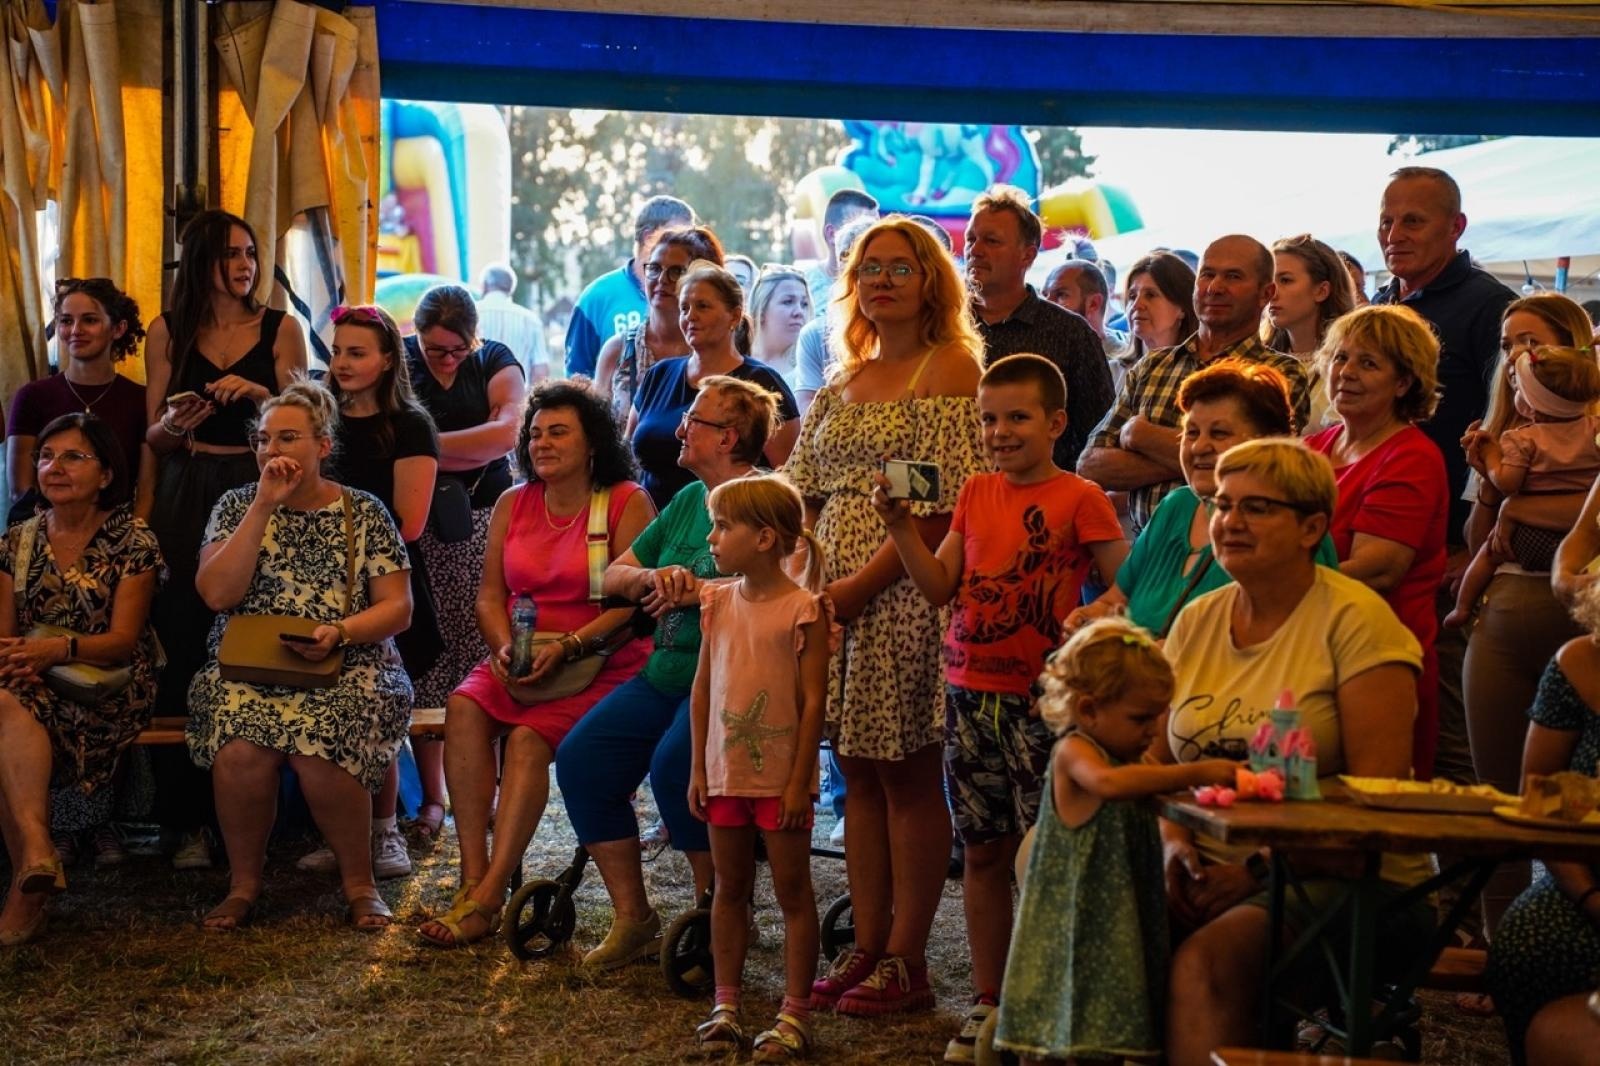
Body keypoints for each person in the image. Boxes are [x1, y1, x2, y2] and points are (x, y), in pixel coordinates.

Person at [871, 353, 1126, 1060]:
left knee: (1044, 857)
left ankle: (1049, 996)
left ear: (1056, 422)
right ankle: (991, 999)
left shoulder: (1082, 498)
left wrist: (1100, 608)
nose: (1000, 431)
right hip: (968, 693)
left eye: (1017, 417)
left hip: (1042, 703)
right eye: (989, 418)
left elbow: (1126, 584)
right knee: (983, 851)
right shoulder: (977, 491)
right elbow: (937, 585)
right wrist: (900, 528)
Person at [1154, 439, 1430, 1066]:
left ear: (1312, 527)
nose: (1230, 522)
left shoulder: (1360, 624)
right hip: (1204, 862)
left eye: (1257, 508)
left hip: (1350, 881)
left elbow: (1375, 807)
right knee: (1101, 922)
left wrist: (1255, 872)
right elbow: (1157, 766)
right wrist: (1174, 844)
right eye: (1223, 505)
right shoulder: (1197, 619)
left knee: (1211, 960)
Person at [782, 216, 986, 1016]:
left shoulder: (951, 368)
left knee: (905, 776)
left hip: (903, 593)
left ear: (931, 281)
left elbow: (947, 509)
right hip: (829, 595)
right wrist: (803, 583)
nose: (883, 281)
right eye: (870, 269)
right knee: (854, 775)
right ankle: (867, 945)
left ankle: (909, 960)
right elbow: (801, 489)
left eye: (901, 268)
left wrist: (857, 591)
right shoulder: (844, 378)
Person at [416, 381, 653, 949]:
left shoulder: (624, 500)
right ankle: (473, 876)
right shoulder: (512, 502)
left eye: (559, 431)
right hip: (522, 651)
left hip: (601, 658)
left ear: (592, 441)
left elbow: (630, 607)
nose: (542, 442)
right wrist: (503, 648)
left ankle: (491, 894)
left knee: (526, 741)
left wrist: (567, 647)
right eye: (535, 432)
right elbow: (488, 597)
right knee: (463, 707)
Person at [555, 375, 776, 969]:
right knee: (581, 760)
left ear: (728, 436)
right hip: (666, 672)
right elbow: (612, 576)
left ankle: (723, 912)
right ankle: (635, 918)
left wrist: (697, 590)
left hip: (736, 677)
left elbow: (780, 590)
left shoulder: (770, 501)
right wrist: (655, 579)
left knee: (676, 763)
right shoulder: (684, 500)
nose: (678, 428)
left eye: (694, 421)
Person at [186, 381, 414, 932]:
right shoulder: (237, 505)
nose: (272, 451)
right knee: (239, 747)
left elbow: (397, 609)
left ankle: (359, 884)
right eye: (263, 440)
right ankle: (244, 886)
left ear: (323, 446)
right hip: (247, 665)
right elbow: (217, 595)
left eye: (288, 437)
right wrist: (264, 505)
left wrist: (338, 632)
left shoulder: (365, 512)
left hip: (349, 662)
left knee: (321, 741)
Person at [143, 209, 307, 871]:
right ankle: (183, 820)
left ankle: (265, 818)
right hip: (186, 483)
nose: (244, 265)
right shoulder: (168, 328)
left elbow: (304, 421)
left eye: (250, 252)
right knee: (180, 641)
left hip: (254, 485)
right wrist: (171, 422)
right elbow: (152, 438)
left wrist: (263, 393)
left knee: (256, 637)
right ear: (200, 260)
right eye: (229, 254)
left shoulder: (281, 326)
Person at [993, 620, 1235, 1064]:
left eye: (1159, 717)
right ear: (1088, 710)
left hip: (1118, 913)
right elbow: (1109, 784)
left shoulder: (1134, 757)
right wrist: (1196, 772)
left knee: (1105, 1026)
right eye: (1141, 718)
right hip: (1076, 914)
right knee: (1064, 1021)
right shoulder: (1077, 752)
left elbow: (1150, 786)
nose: (1152, 731)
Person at [1374, 165, 1517, 790]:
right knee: (1393, 732)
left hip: (1455, 557)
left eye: (1412, 220)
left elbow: (1508, 433)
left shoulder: (1490, 309)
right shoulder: (1384, 305)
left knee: (1454, 746)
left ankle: (1466, 887)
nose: (1393, 233)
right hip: (1385, 545)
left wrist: (1478, 542)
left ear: (1456, 228)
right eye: (1385, 219)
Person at [0, 414, 162, 946]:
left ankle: (32, 874)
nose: (55, 467)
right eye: (46, 456)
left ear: (107, 473)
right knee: (5, 703)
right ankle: (37, 860)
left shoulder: (132, 539)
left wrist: (55, 650)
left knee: (5, 711)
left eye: (73, 457)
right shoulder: (16, 541)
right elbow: (6, 639)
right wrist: (28, 660)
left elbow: (122, 641)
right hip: (31, 684)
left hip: (109, 685)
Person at [687, 475, 834, 1060]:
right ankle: (726, 1003)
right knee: (730, 887)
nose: (712, 537)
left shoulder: (805, 610)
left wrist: (800, 781)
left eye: (724, 526)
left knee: (793, 891)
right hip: (726, 775)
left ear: (766, 537)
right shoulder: (717, 601)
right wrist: (700, 767)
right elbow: (702, 690)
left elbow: (814, 702)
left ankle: (795, 1012)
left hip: (780, 780)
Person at [298, 305, 440, 881]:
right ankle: (343, 832)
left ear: (387, 360)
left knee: (371, 708)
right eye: (337, 351)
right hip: (312, 585)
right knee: (320, 708)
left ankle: (383, 836)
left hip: (383, 584)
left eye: (357, 352)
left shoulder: (410, 425)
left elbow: (408, 521)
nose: (342, 362)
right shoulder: (316, 417)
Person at [1067, 360, 1335, 636]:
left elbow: (1288, 647)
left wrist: (1165, 655)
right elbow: (1115, 601)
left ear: (1267, 442)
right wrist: (1090, 617)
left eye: (1219, 433)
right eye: (1191, 432)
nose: (1198, 447)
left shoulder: (1289, 527)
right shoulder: (1176, 506)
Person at [1080, 236, 1310, 537]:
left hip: (1230, 551)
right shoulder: (1152, 366)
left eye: (1233, 276)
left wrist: (1140, 436)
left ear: (1265, 293)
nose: (1215, 287)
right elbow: (1090, 465)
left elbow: (1255, 467)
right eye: (1208, 274)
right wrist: (1208, 461)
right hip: (1146, 552)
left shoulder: (1281, 372)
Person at [404, 283, 527, 841]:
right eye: (437, 350)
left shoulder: (497, 358)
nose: (449, 360)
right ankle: (433, 799)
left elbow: (507, 433)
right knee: (425, 652)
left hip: (483, 520)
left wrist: (419, 446)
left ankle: (493, 790)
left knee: (484, 647)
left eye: (459, 350)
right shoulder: (402, 358)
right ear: (419, 337)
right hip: (417, 522)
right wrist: (462, 443)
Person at [1306, 305, 1448, 778]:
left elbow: (1378, 568)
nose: (1346, 372)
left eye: (1368, 363)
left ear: (1404, 382)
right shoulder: (1313, 448)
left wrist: (1280, 585)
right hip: (1313, 649)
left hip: (1378, 658)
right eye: (1341, 358)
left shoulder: (1410, 457)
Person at [1484, 579, 1600, 1066]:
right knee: (1534, 940)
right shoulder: (1582, 664)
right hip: (1583, 885)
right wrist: (1592, 898)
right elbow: (1544, 801)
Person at [964, 185, 1114, 469]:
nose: (976, 250)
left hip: (1041, 503)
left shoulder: (1070, 333)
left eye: (992, 241)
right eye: (971, 239)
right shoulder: (940, 325)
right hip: (954, 502)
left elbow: (1099, 435)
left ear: (1028, 256)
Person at [627, 262, 799, 508]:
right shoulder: (659, 375)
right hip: (651, 530)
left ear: (735, 316)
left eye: (703, 306)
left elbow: (788, 476)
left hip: (728, 528)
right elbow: (627, 454)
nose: (690, 316)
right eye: (684, 308)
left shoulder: (762, 383)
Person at [1451, 346, 1600, 629]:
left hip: (1527, 537)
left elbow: (1508, 482)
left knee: (1487, 555)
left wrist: (1493, 457)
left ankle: (1461, 607)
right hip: (1574, 542)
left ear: (1530, 404)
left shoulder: (1522, 439)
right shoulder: (1595, 430)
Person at [8, 279, 152, 523]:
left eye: (90, 320)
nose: (75, 330)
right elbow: (21, 490)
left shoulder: (141, 399)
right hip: (42, 533)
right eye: (66, 321)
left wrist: (126, 539)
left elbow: (147, 491)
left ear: (118, 328)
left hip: (118, 535)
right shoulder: (31, 397)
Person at [593, 226, 725, 420]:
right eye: (654, 268)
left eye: (676, 271)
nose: (662, 279)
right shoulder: (617, 350)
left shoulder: (719, 353)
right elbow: (597, 434)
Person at [565, 195, 695, 379]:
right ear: (650, 238)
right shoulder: (596, 297)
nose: (688, 243)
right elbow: (576, 377)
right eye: (677, 235)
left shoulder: (692, 293)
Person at [1262, 234, 1358, 434]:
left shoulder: (1347, 366)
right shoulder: (1258, 359)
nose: (1272, 292)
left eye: (1285, 280)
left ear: (1321, 291)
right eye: (1269, 281)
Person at [794, 216, 875, 415]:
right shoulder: (816, 334)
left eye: (870, 264)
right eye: (847, 260)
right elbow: (807, 413)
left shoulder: (906, 331)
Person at [1109, 251, 1198, 392]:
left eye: (1150, 295)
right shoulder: (1112, 373)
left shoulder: (1197, 373)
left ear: (1182, 308)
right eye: (1132, 296)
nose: (1136, 304)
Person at [803, 188, 879, 317]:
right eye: (861, 228)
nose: (874, 238)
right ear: (831, 234)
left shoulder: (884, 285)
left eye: (876, 229)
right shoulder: (803, 286)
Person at [475, 263, 549, 383]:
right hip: (517, 398)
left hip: (474, 398)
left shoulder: (469, 314)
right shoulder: (531, 320)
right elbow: (540, 372)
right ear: (511, 289)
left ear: (484, 286)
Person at [1042, 258, 1127, 358]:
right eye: (1045, 295)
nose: (1046, 304)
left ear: (1093, 304)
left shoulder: (1122, 366)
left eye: (1061, 295)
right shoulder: (1047, 353)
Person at [747, 266, 812, 386]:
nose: (799, 312)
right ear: (761, 311)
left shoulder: (810, 370)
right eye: (788, 302)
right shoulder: (736, 363)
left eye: (804, 304)